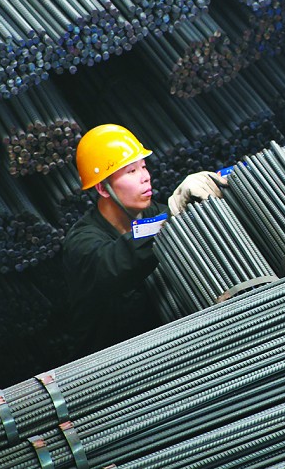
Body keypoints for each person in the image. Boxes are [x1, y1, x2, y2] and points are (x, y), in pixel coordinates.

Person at [61, 123, 226, 359]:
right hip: (112, 363)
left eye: (144, 166)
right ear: (103, 188)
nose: (145, 177)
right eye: (131, 171)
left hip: (165, 348)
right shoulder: (81, 242)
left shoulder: (153, 212)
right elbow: (116, 262)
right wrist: (173, 213)